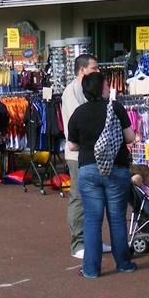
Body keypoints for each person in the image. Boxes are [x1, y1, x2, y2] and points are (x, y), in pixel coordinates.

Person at [67, 70, 137, 278]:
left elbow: (72, 144)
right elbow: (130, 136)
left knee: (92, 220)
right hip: (116, 168)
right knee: (116, 219)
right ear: (101, 88)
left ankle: (91, 269)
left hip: (88, 169)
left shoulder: (78, 113)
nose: (109, 88)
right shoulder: (115, 108)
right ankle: (123, 263)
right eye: (107, 85)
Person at [62, 54, 111, 260]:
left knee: (95, 199)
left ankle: (93, 240)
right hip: (77, 154)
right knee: (79, 197)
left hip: (93, 153)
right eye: (94, 68)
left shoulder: (90, 90)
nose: (98, 71)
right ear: (82, 70)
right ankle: (78, 243)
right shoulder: (72, 91)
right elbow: (79, 124)